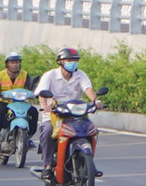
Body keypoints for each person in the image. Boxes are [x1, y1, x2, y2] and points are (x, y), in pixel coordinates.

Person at [33, 48, 99, 176]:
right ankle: (47, 165)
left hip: (75, 114)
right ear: (61, 62)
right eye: (69, 60)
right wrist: (46, 104)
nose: (72, 63)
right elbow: (42, 92)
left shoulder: (81, 75)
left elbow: (88, 89)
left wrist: (96, 101)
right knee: (47, 131)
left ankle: (90, 163)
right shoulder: (50, 75)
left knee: (91, 130)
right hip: (54, 114)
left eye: (75, 60)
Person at [0, 52, 34, 147]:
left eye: (17, 62)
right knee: (0, 111)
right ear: (7, 64)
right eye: (12, 63)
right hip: (4, 102)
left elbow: (32, 86)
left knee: (34, 112)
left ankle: (29, 137)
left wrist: (35, 92)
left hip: (20, 103)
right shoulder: (0, 75)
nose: (15, 65)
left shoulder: (25, 75)